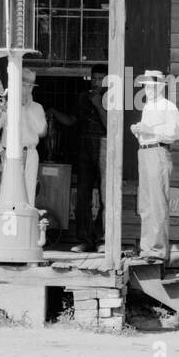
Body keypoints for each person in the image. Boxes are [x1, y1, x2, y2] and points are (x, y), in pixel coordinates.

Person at [130, 69, 179, 264]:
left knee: (157, 202)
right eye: (145, 86)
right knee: (145, 203)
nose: (148, 89)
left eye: (151, 86)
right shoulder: (147, 108)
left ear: (160, 87)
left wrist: (149, 130)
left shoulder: (168, 107)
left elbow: (174, 133)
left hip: (158, 153)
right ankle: (147, 248)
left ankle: (158, 250)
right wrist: (138, 132)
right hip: (144, 152)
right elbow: (148, 133)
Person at [0, 57, 47, 207]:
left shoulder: (37, 108)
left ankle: (25, 227)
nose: (27, 89)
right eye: (24, 86)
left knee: (29, 194)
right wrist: (2, 152)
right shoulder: (6, 106)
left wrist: (27, 109)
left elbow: (41, 130)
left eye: (30, 86)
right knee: (9, 193)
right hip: (11, 154)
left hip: (31, 153)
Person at [71, 64, 109, 252]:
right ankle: (85, 239)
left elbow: (110, 126)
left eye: (100, 79)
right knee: (82, 195)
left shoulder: (110, 97)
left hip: (104, 145)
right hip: (84, 146)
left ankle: (102, 239)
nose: (96, 82)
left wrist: (98, 104)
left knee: (105, 195)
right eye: (94, 78)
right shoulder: (82, 97)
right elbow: (74, 122)